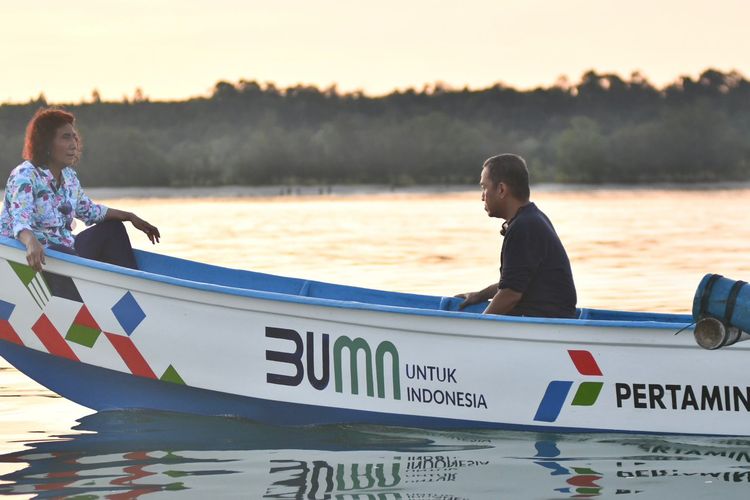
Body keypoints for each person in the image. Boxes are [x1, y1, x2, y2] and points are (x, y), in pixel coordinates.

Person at [0, 108, 160, 272]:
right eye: (65, 137)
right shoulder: (24, 176)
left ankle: (132, 286)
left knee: (113, 229)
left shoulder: (69, 177)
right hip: (26, 256)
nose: (73, 144)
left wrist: (130, 216)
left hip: (65, 253)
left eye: (74, 137)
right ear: (46, 143)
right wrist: (31, 242)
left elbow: (90, 211)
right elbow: (20, 222)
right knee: (60, 250)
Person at [456, 154, 577, 318]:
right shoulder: (531, 218)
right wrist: (480, 295)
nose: (482, 196)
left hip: (547, 324)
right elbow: (513, 283)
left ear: (501, 190)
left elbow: (510, 295)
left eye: (484, 187)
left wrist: (479, 326)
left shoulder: (524, 226)